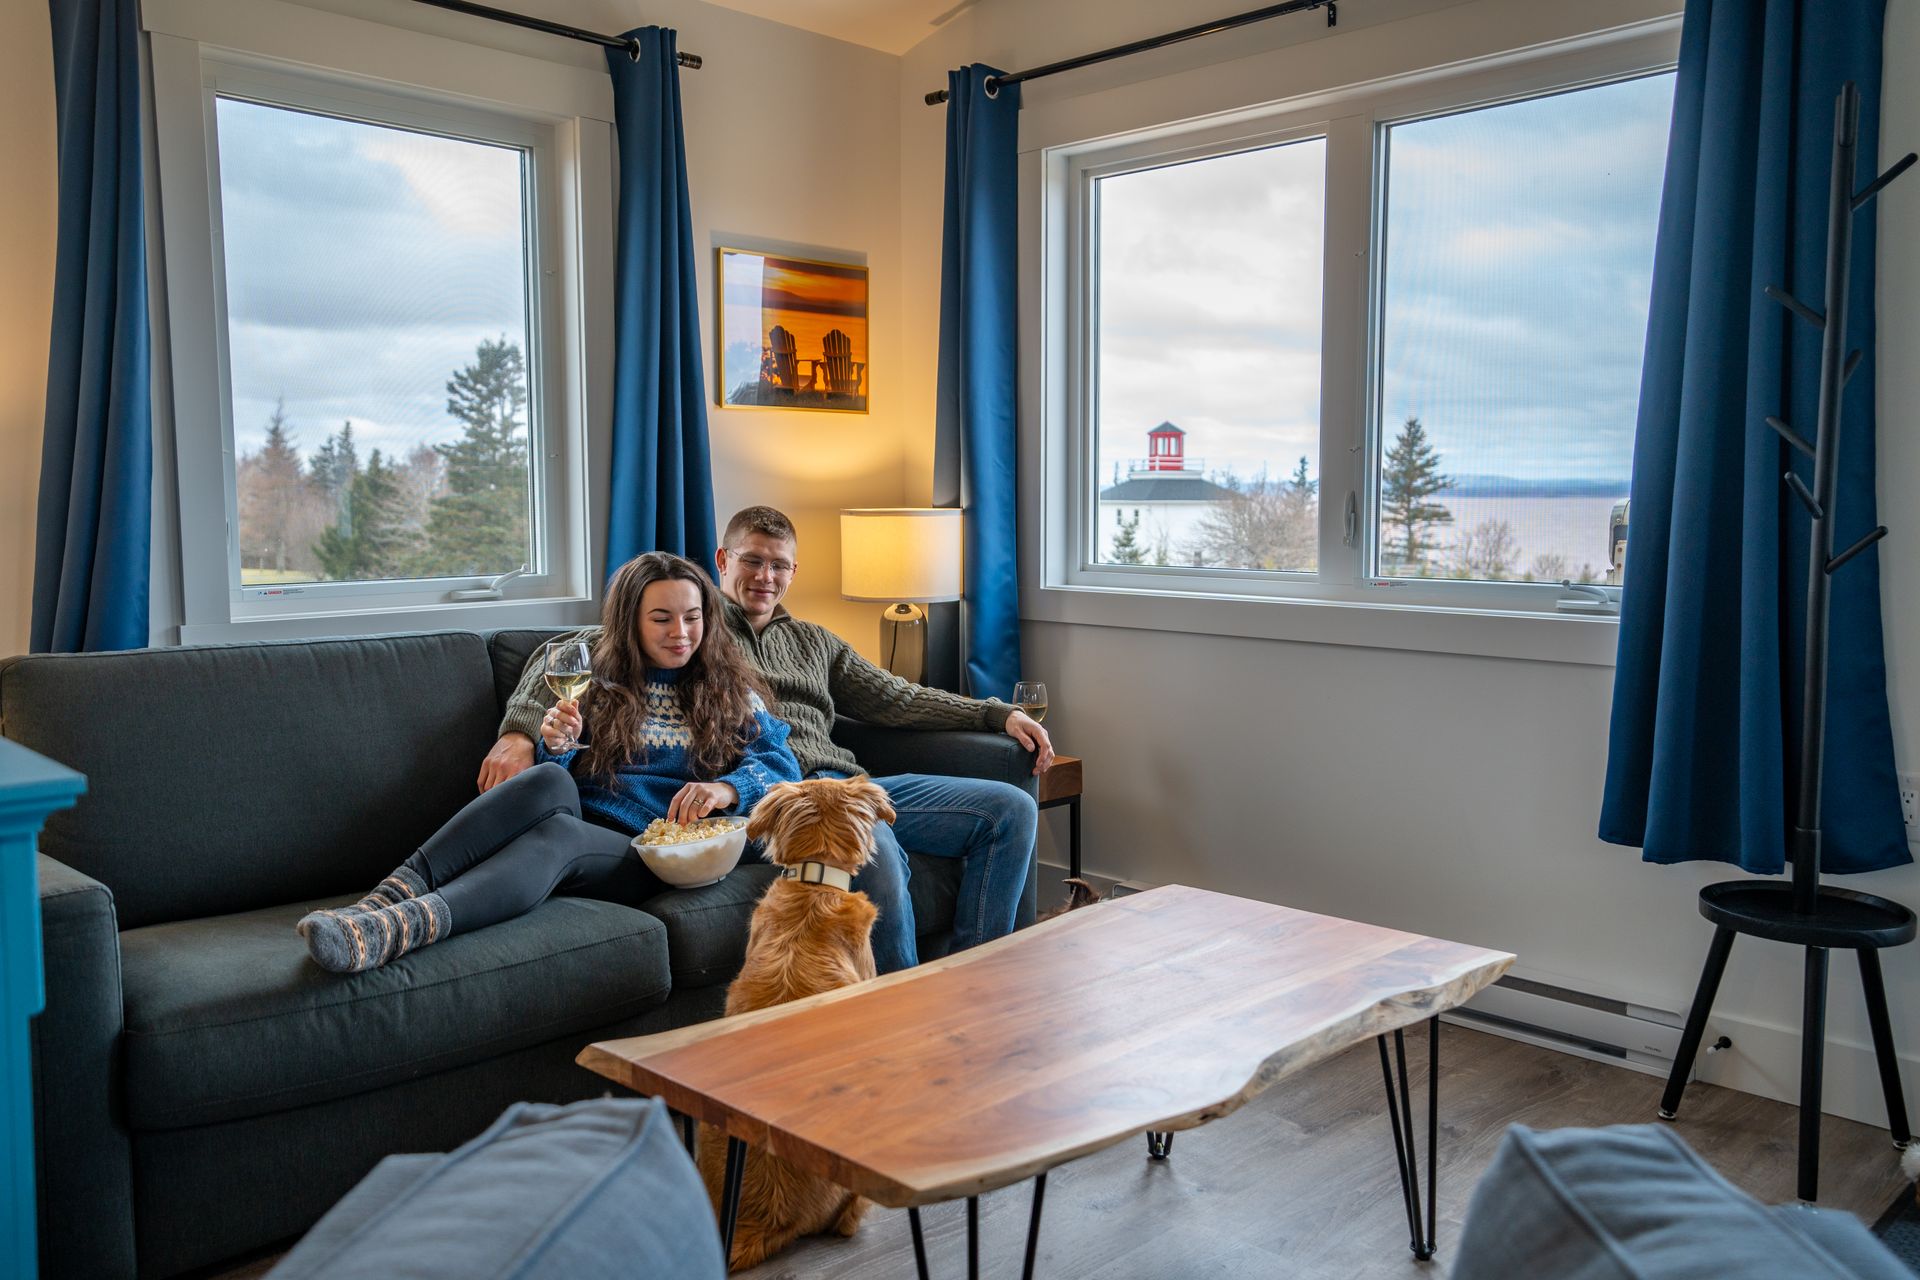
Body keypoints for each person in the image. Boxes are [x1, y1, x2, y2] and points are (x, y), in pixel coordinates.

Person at [484, 506, 1053, 973]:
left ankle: (980, 979)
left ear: (793, 573)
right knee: (870, 840)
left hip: (849, 786)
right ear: (722, 561)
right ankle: (896, 1010)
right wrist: (518, 732)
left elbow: (898, 698)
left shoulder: (815, 642)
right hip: (779, 799)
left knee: (1010, 808)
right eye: (751, 561)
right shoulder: (696, 628)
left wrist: (995, 714)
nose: (765, 576)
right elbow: (576, 650)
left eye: (779, 565)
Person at [297, 552, 799, 973]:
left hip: (653, 852)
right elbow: (555, 780)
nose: (681, 633)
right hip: (589, 818)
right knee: (542, 781)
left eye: (692, 617)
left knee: (559, 837)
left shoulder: (729, 688)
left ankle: (397, 930)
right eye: (661, 618)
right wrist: (556, 747)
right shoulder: (595, 678)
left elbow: (783, 766)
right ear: (631, 622)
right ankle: (380, 902)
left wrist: (726, 789)